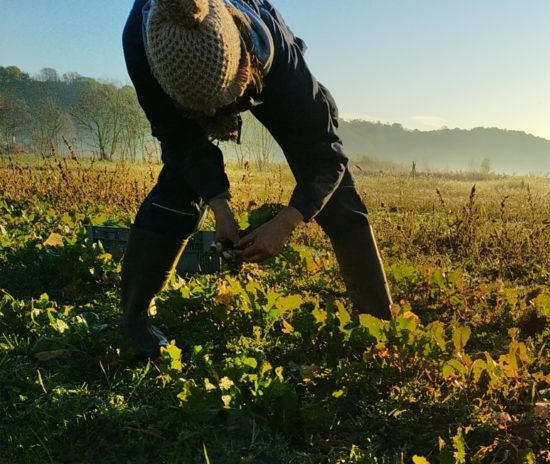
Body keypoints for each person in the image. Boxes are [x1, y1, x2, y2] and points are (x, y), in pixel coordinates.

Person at [121, 0, 393, 357]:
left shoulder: (276, 56)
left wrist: (287, 221)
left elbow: (325, 154)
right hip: (178, 83)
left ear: (244, 67)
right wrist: (219, 206)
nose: (214, 116)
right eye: (200, 111)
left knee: (335, 193)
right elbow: (181, 142)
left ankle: (377, 320)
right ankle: (135, 318)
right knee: (183, 179)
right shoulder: (142, 47)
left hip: (265, 70)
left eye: (221, 103)